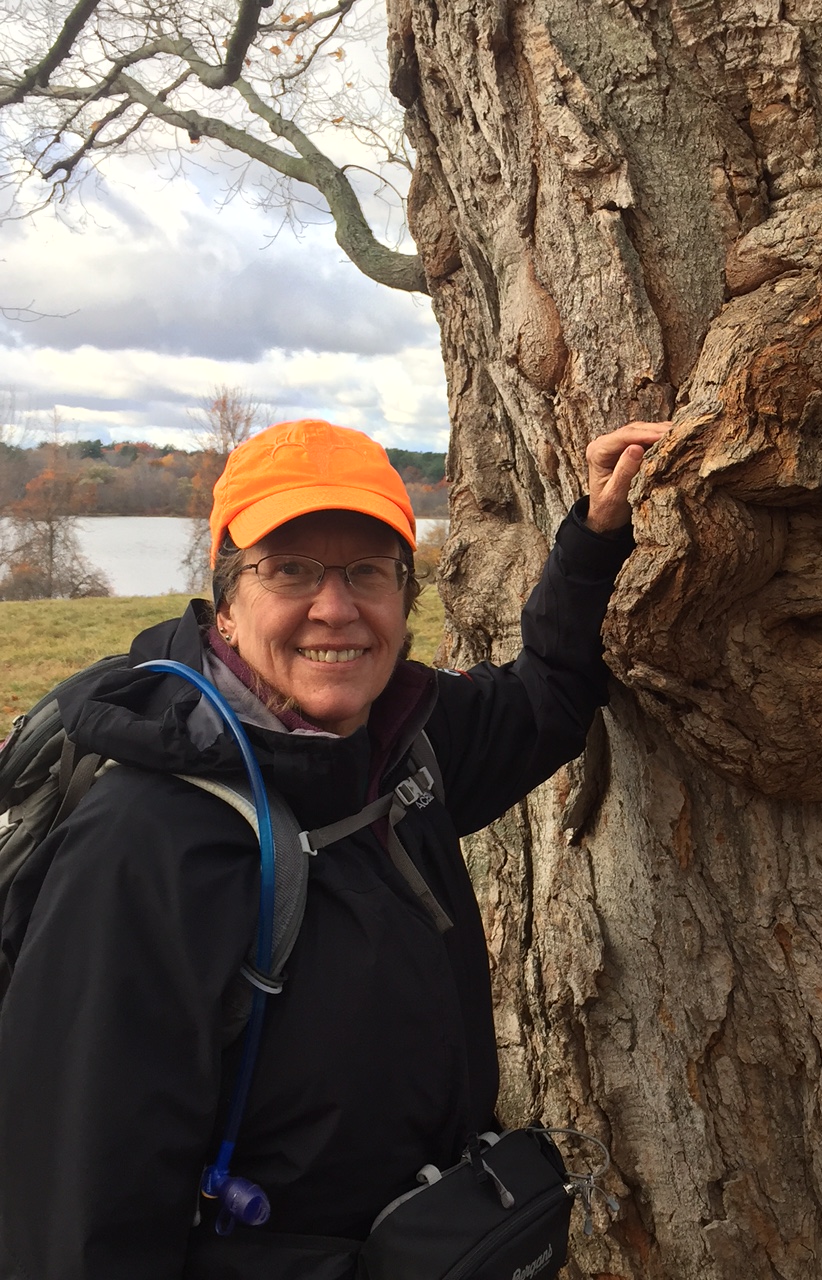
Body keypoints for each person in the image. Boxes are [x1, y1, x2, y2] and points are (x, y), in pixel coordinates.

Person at [0, 416, 667, 1280]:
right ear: (226, 604)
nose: (336, 607)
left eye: (368, 572)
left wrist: (595, 537)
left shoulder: (404, 744)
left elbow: (547, 699)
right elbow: (74, 1211)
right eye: (290, 569)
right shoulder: (145, 842)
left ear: (404, 597)